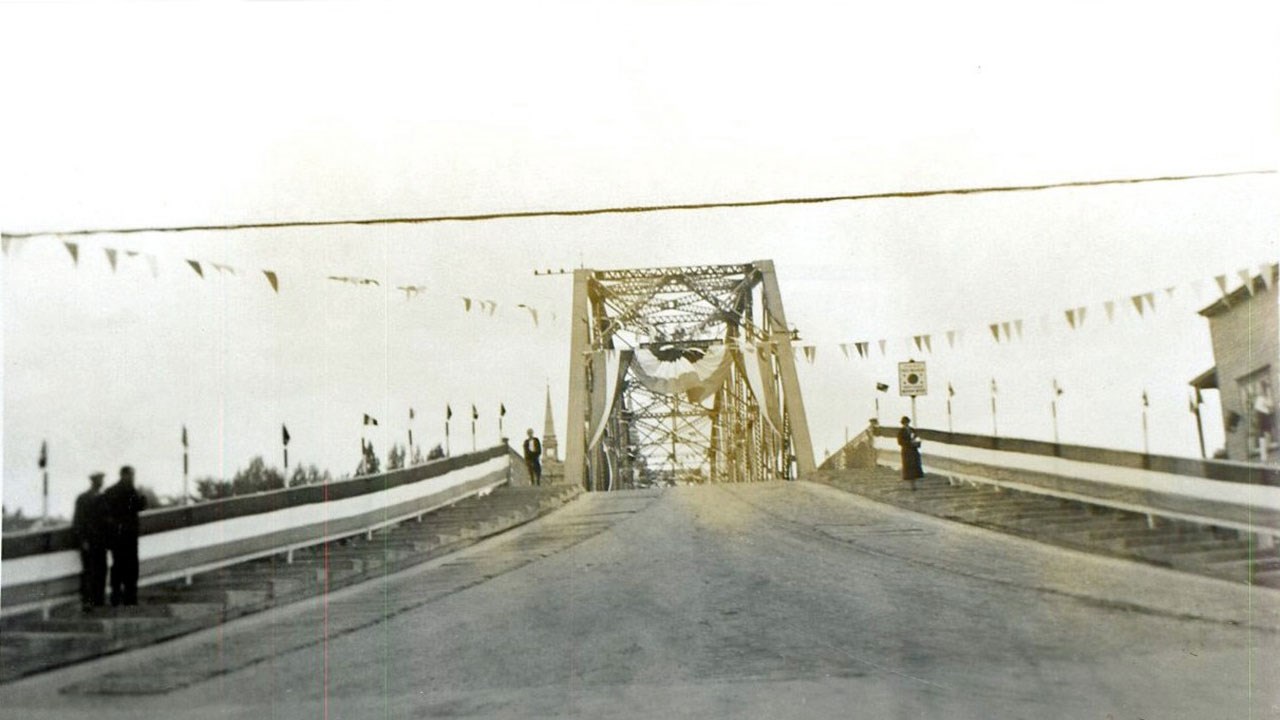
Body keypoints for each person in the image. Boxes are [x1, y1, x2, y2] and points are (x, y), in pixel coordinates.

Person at [103, 465, 147, 606]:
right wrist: (142, 496)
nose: (133, 478)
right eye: (131, 475)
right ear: (124, 475)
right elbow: (140, 506)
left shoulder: (110, 491)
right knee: (130, 567)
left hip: (118, 536)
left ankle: (116, 597)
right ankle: (130, 598)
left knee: (118, 567)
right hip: (127, 536)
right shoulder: (130, 491)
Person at [72, 472, 108, 611]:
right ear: (93, 481)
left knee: (101, 570)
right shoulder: (83, 498)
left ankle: (99, 600)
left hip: (101, 541)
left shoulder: (103, 498)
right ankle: (87, 601)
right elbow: (78, 521)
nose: (101, 482)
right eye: (99, 480)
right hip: (89, 541)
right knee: (89, 571)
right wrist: (82, 540)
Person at [897, 416, 924, 490]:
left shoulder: (912, 430)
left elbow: (917, 438)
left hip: (913, 450)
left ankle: (914, 483)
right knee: (908, 467)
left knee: (914, 467)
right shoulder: (901, 431)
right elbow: (900, 442)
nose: (906, 424)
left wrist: (917, 443)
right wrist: (909, 443)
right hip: (906, 451)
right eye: (905, 423)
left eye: (907, 422)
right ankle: (911, 485)